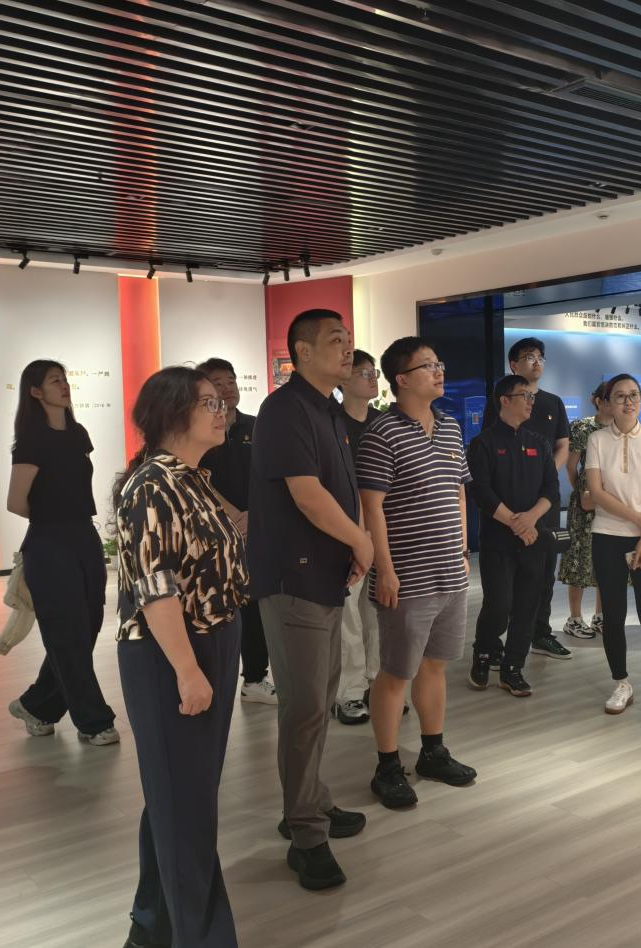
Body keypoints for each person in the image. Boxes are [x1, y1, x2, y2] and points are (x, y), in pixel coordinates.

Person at [114, 366, 248, 947]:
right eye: (208, 403)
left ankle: (152, 924)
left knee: (180, 797)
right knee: (185, 807)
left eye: (222, 402)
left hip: (211, 640)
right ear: (173, 414)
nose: (223, 412)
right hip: (171, 653)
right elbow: (155, 590)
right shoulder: (152, 486)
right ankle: (200, 935)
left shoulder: (192, 479)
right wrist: (188, 671)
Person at [249, 309, 370, 891]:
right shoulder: (284, 409)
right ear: (301, 351)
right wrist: (362, 540)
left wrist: (352, 545)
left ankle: (311, 800)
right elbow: (307, 494)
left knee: (319, 700)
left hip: (325, 576)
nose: (347, 350)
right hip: (292, 580)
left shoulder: (327, 409)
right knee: (303, 709)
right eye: (335, 341)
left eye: (348, 340)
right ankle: (305, 835)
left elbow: (337, 492)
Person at [359, 336, 477, 808]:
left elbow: (459, 492)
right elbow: (372, 507)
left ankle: (433, 750)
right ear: (402, 380)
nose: (439, 371)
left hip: (450, 571)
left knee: (435, 665)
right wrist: (384, 570)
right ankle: (387, 765)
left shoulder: (449, 428)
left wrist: (462, 548)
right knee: (395, 672)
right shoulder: (382, 433)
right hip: (406, 576)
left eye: (439, 363)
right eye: (428, 366)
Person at [4, 360, 117, 746]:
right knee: (67, 633)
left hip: (84, 536)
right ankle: (94, 721)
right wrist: (54, 519)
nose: (64, 385)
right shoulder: (31, 441)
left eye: (65, 379)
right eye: (55, 381)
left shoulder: (78, 434)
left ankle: (36, 705)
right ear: (36, 392)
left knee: (87, 627)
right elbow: (16, 501)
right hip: (50, 543)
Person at [585, 374, 641, 728]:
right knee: (613, 617)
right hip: (607, 536)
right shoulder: (596, 440)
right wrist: (638, 520)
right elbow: (596, 493)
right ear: (607, 403)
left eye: (634, 395)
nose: (628, 401)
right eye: (620, 396)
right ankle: (622, 683)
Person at [467, 375, 558, 697]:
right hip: (498, 541)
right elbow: (482, 492)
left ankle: (513, 668)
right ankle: (484, 652)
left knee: (527, 607)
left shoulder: (539, 442)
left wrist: (530, 520)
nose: (531, 402)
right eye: (524, 396)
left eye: (532, 396)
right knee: (498, 604)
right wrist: (515, 523)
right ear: (504, 400)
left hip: (533, 538)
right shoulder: (483, 444)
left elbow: (551, 489)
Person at [484, 337, 570, 660]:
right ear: (513, 365)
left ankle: (540, 633)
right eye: (529, 356)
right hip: (508, 503)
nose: (537, 362)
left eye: (541, 357)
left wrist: (543, 477)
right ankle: (492, 644)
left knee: (544, 571)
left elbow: (563, 446)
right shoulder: (501, 401)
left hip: (544, 502)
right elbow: (490, 444)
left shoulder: (553, 403)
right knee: (503, 580)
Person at [197, 357, 275, 707]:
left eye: (231, 380)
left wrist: (253, 516)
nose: (228, 388)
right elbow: (196, 479)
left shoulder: (256, 426)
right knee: (218, 606)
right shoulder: (199, 430)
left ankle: (255, 677)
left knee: (254, 604)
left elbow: (271, 476)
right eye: (219, 383)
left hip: (254, 529)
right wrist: (232, 515)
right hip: (214, 531)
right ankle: (210, 678)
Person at [332, 349, 383, 725]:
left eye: (374, 372)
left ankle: (378, 686)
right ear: (344, 379)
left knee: (379, 613)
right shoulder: (330, 422)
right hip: (345, 533)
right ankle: (348, 693)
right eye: (364, 372)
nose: (372, 378)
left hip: (384, 532)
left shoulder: (383, 424)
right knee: (348, 617)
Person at [558, 382, 614, 640]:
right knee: (579, 558)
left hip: (612, 500)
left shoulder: (620, 428)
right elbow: (571, 466)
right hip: (586, 501)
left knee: (606, 559)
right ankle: (574, 618)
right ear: (599, 401)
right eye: (612, 398)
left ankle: (600, 616)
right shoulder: (583, 427)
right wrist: (581, 491)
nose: (617, 403)